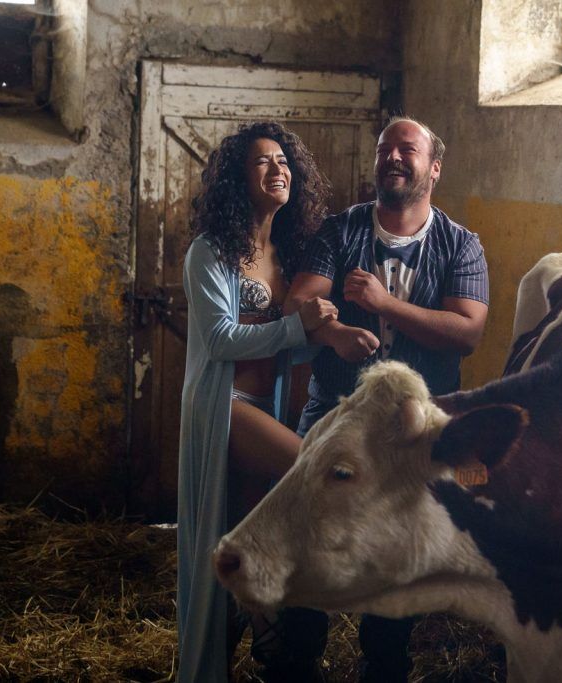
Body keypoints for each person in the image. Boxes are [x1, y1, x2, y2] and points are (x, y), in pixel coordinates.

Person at [283, 116, 490, 682]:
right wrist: (331, 333)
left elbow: (467, 332)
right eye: (385, 149)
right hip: (334, 409)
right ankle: (295, 662)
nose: (394, 157)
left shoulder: (460, 246)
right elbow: (298, 302)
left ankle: (384, 667)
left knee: (400, 547)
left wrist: (385, 304)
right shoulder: (339, 231)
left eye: (408, 149)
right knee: (308, 530)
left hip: (416, 425)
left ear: (434, 168)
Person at [176, 121, 337, 683]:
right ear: (235, 180)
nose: (279, 170)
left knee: (236, 546)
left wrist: (330, 338)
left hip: (263, 406)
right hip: (224, 406)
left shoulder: (288, 255)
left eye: (285, 162)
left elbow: (289, 350)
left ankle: (252, 639)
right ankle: (271, 626)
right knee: (310, 469)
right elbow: (220, 338)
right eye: (263, 162)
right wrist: (299, 328)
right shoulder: (210, 251)